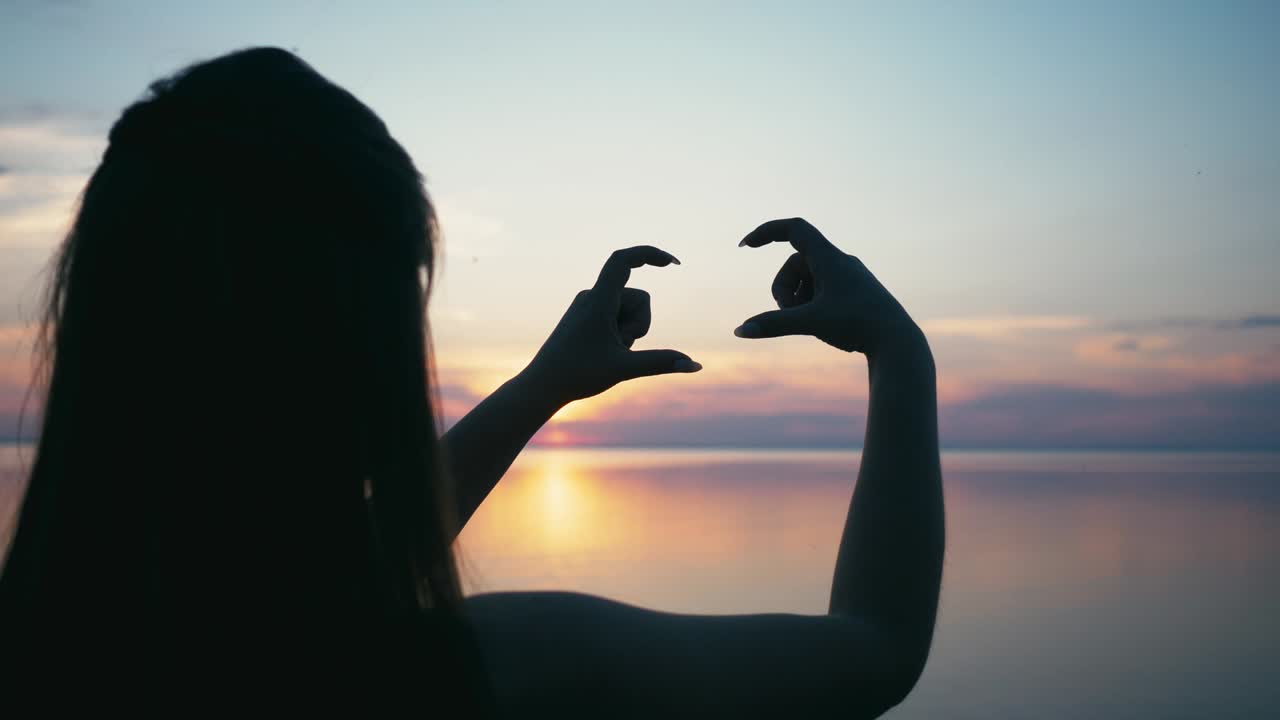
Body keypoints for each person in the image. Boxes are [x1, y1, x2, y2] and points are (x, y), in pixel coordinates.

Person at [0, 48, 943, 718]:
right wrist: (901, 354)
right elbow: (877, 650)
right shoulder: (497, 670)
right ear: (362, 359)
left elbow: (338, 578)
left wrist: (543, 387)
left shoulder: (61, 649)